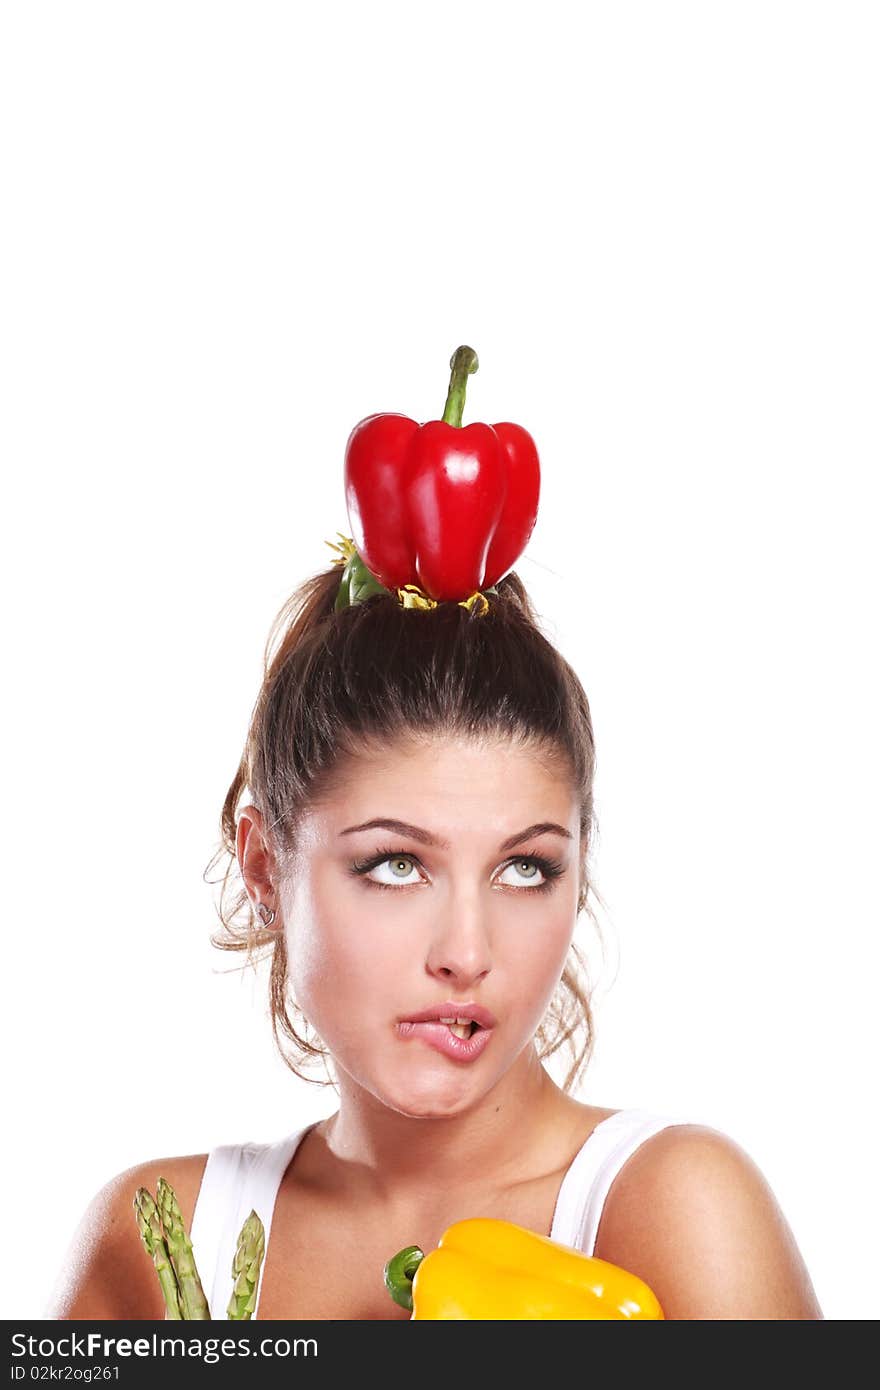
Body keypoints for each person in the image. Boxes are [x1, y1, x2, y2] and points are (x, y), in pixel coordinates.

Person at [48, 558, 823, 1320]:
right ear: (263, 870)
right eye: (395, 865)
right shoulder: (162, 1242)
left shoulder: (680, 1208)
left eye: (525, 869)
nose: (467, 951)